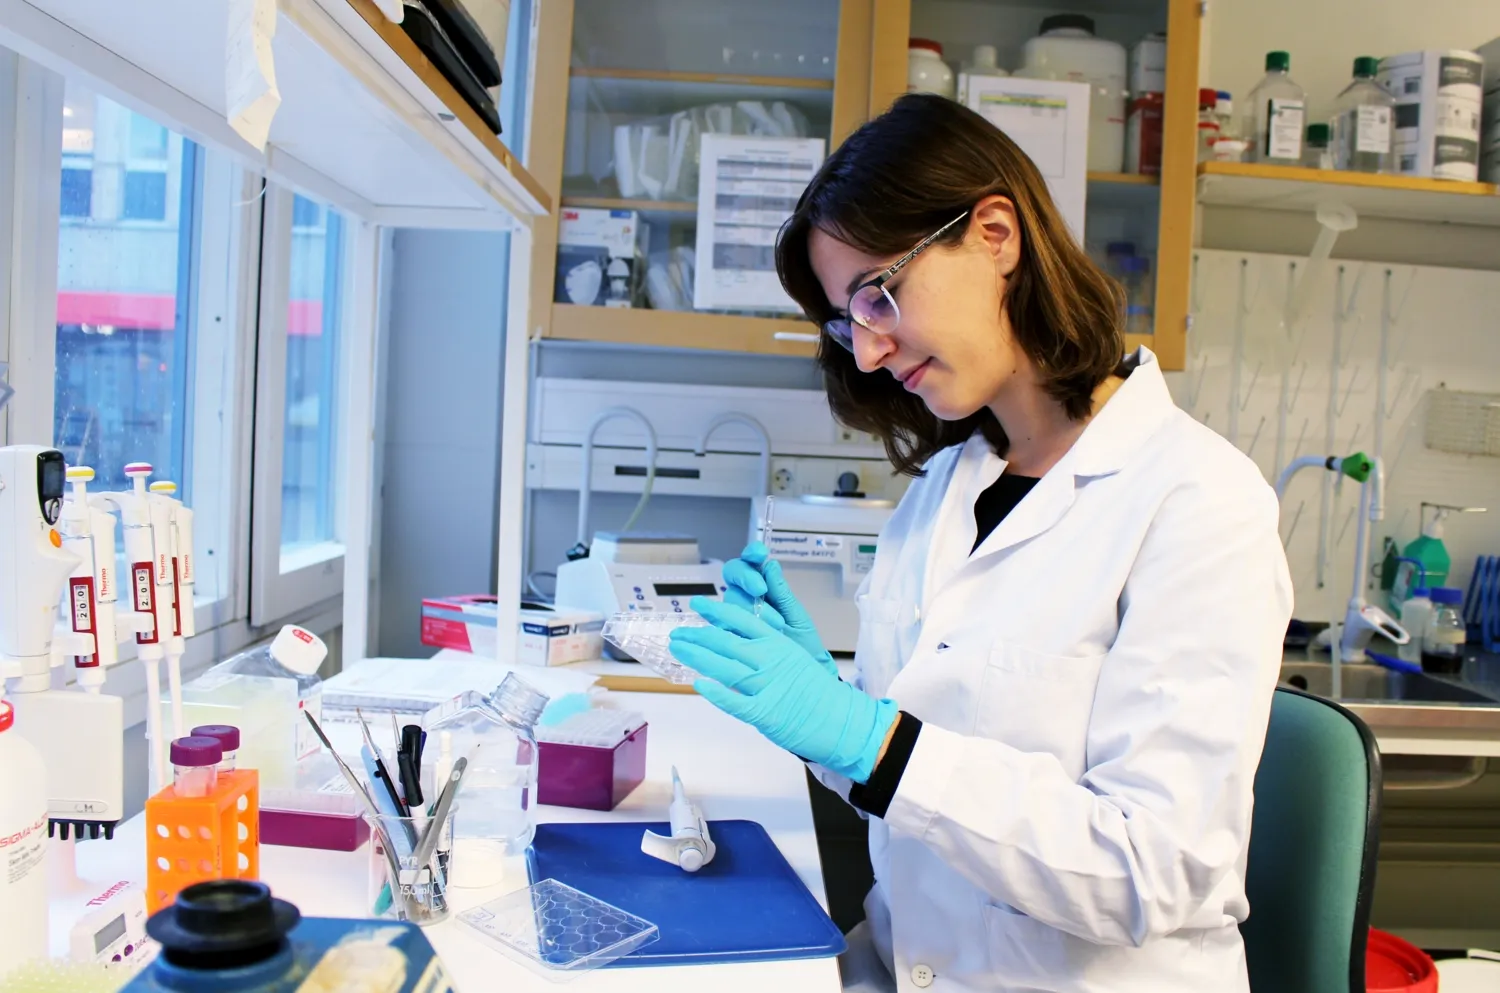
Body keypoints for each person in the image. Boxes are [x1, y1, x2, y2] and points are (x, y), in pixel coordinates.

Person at [667, 94, 1293, 993]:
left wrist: (872, 739)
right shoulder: (944, 492)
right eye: (851, 321)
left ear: (995, 234)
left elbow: (1153, 868)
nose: (870, 351)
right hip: (897, 967)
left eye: (879, 293)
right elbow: (914, 787)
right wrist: (824, 719)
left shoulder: (1198, 499)